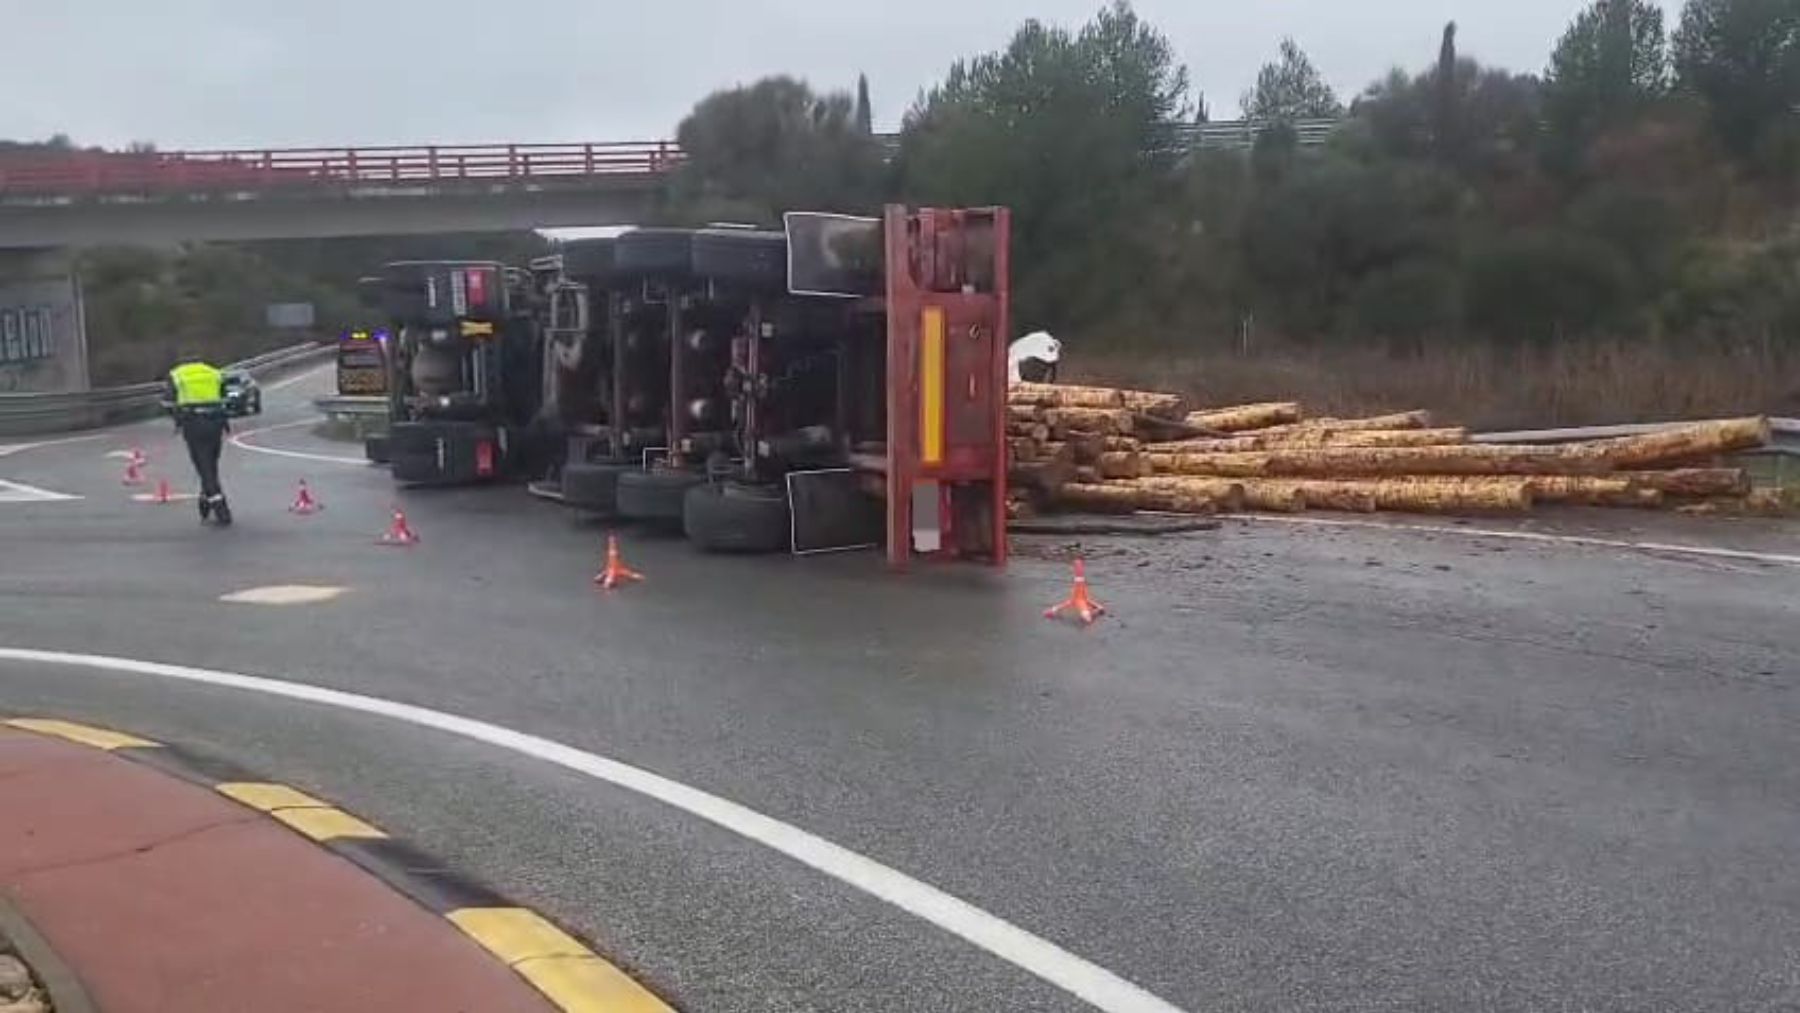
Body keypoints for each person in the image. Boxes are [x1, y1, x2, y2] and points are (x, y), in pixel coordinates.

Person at [166, 349, 233, 525]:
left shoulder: (177, 375)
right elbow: (226, 398)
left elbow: (168, 402)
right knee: (211, 462)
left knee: (203, 465)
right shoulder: (214, 373)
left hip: (193, 423)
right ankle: (206, 497)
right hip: (216, 423)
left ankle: (220, 507)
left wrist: (177, 419)